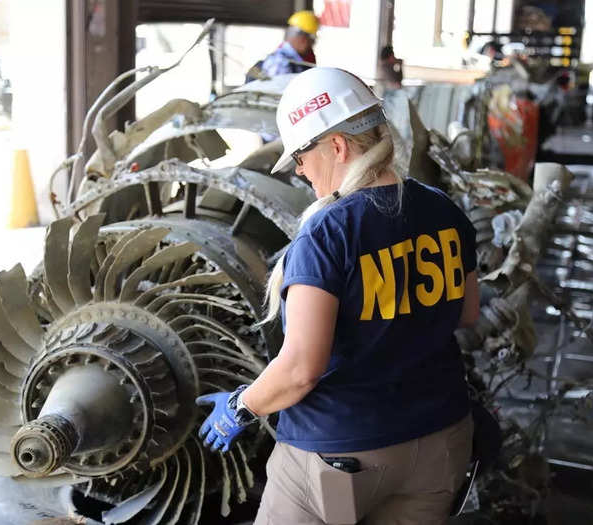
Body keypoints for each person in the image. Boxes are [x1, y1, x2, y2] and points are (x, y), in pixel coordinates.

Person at [196, 67, 479, 524]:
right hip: (441, 441)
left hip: (341, 455)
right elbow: (467, 313)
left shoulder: (328, 234)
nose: (301, 171)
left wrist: (240, 407)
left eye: (302, 158)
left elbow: (301, 369)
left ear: (338, 146)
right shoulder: (441, 209)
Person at [245, 10, 319, 82]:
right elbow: (277, 92)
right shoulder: (281, 62)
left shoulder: (296, 61)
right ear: (304, 39)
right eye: (312, 40)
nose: (312, 45)